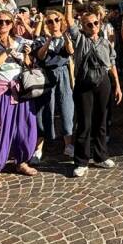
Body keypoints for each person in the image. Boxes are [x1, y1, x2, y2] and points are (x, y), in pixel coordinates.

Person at [64, 0, 122, 177]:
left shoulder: (105, 43)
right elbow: (68, 20)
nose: (93, 26)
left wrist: (117, 86)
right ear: (83, 26)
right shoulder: (80, 39)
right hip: (84, 84)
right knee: (84, 123)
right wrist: (69, 0)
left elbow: (112, 64)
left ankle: (101, 156)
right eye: (88, 25)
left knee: (101, 121)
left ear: (100, 23)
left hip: (103, 82)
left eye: (95, 23)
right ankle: (81, 161)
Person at [0, 10, 38, 190]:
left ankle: (21, 161)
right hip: (1, 92)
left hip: (21, 89)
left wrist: (27, 55)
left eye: (7, 21)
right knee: (1, 130)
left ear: (12, 24)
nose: (3, 25)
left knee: (25, 127)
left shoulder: (20, 41)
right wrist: (6, 52)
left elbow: (29, 65)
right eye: (0, 21)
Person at [34, 9, 75, 159]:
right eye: (50, 21)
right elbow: (40, 55)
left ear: (61, 21)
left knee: (67, 107)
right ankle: (38, 148)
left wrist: (64, 36)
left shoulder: (66, 36)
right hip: (46, 75)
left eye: (56, 20)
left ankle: (69, 144)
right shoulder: (40, 39)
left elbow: (70, 51)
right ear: (46, 24)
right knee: (45, 110)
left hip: (63, 74)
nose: (54, 24)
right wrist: (49, 40)